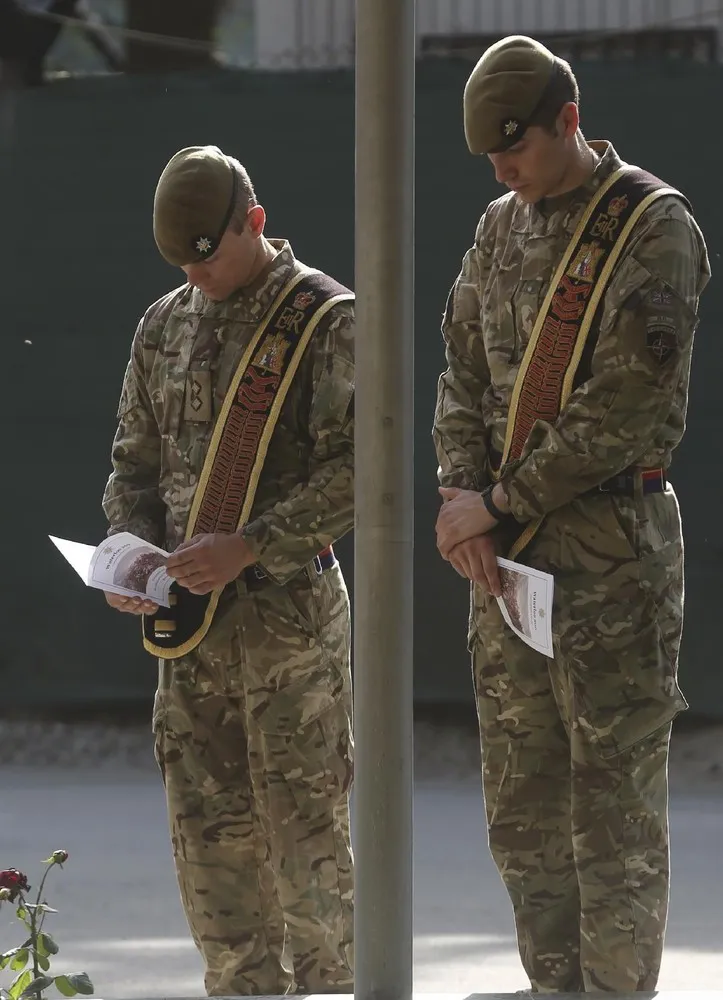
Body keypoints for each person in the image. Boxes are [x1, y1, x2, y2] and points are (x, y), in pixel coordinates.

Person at [433, 35, 709, 994]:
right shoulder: (497, 228)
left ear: (569, 122)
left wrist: (496, 503)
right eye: (489, 157)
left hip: (610, 556)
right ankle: (553, 984)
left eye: (516, 148)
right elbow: (461, 372)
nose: (502, 171)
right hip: (505, 561)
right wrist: (463, 500)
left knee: (611, 810)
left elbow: (625, 405)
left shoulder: (650, 225)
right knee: (524, 804)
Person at [102, 145, 355, 996]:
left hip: (288, 621)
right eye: (181, 261)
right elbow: (133, 465)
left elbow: (359, 468)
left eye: (207, 256)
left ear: (255, 221)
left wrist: (249, 544)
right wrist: (129, 550)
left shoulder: (320, 320)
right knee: (208, 843)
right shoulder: (163, 324)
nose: (195, 275)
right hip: (188, 627)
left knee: (305, 840)